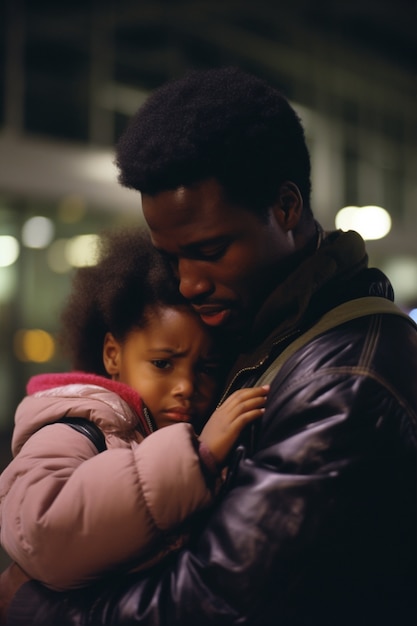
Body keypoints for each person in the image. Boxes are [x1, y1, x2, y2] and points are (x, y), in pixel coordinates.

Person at [4, 66, 417, 626]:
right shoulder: (265, 336)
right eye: (173, 257)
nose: (188, 283)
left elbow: (215, 604)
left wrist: (29, 607)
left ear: (286, 208)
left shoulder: (342, 383)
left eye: (211, 249)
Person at [0, 228, 267, 602]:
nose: (185, 386)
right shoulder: (74, 426)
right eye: (162, 363)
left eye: (206, 368)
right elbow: (42, 535)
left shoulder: (157, 431)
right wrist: (198, 459)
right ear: (112, 354)